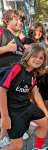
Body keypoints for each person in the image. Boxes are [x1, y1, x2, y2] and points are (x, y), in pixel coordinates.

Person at [0, 43, 48, 150]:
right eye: (34, 56)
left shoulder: (33, 73)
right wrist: (5, 117)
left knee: (45, 123)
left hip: (26, 106)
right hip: (14, 111)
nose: (37, 60)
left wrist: (47, 114)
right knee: (17, 146)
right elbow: (2, 90)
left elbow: (35, 93)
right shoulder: (17, 68)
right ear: (28, 55)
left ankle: (37, 147)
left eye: (41, 58)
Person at [0, 9, 27, 146]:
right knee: (4, 109)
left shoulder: (18, 40)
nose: (19, 22)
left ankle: (14, 131)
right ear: (6, 20)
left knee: (12, 107)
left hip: (15, 82)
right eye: (15, 19)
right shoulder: (2, 33)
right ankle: (3, 136)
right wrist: (6, 49)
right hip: (3, 81)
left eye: (21, 20)